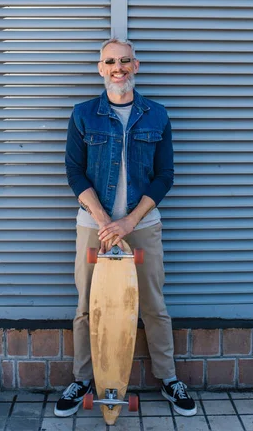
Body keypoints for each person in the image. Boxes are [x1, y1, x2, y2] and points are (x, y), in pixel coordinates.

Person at [54, 38, 196, 418]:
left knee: (152, 305)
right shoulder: (83, 115)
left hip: (142, 225)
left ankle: (168, 378)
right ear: (100, 68)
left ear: (137, 65)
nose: (117, 67)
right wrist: (104, 221)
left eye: (124, 61)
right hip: (94, 226)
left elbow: (165, 176)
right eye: (109, 61)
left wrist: (129, 222)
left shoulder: (157, 115)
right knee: (88, 306)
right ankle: (83, 377)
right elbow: (73, 171)